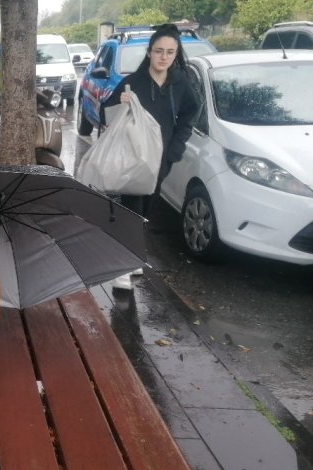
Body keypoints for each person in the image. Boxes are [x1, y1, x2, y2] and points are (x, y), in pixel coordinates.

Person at [102, 23, 199, 290]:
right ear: (150, 52)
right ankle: (124, 263)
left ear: (176, 53)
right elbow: (104, 111)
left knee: (146, 209)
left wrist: (176, 149)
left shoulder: (180, 82)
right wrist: (117, 102)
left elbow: (191, 113)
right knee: (131, 208)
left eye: (170, 52)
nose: (164, 57)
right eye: (159, 51)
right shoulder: (133, 81)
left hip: (161, 160)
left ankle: (132, 257)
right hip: (133, 157)